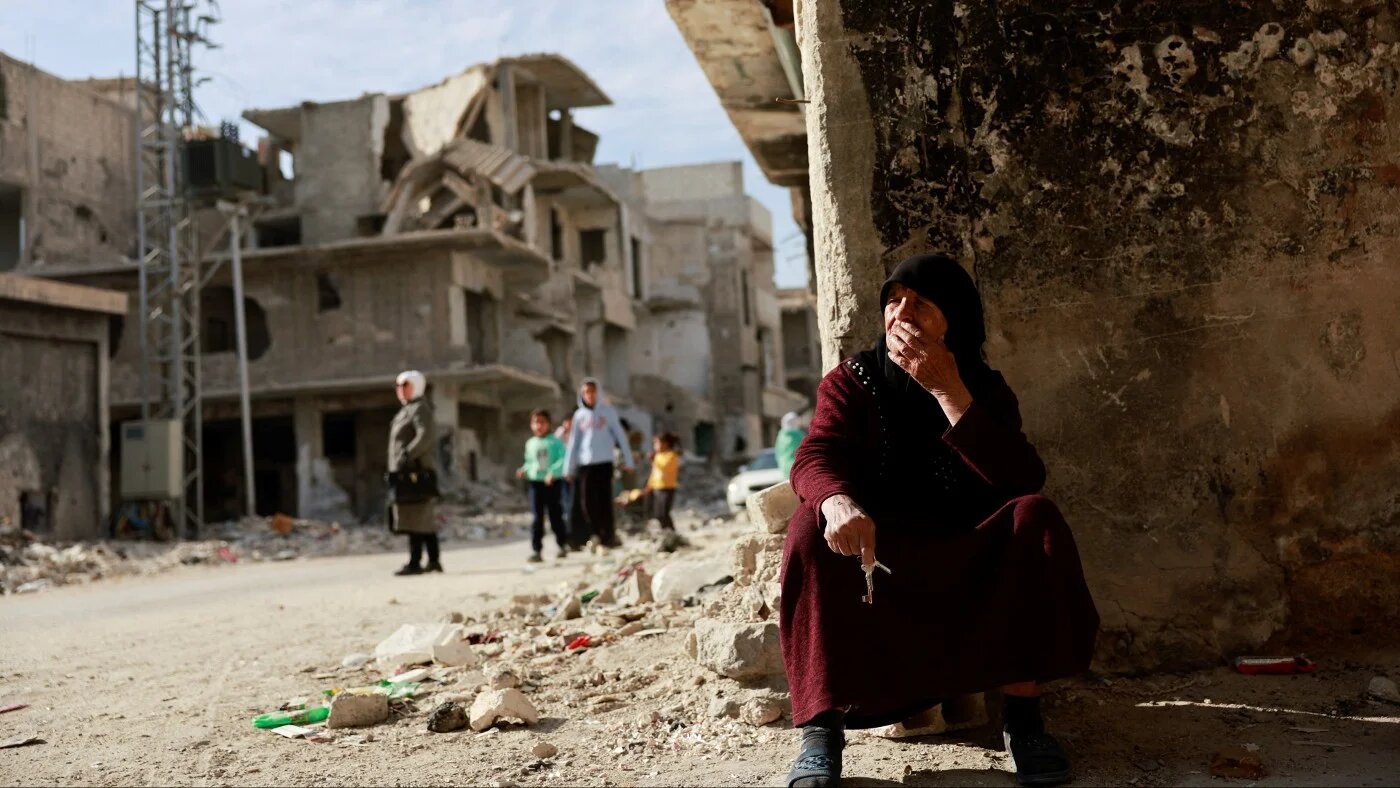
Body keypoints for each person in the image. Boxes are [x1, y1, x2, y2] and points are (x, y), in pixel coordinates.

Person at [781, 254, 1099, 787]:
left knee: (1034, 516)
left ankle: (1023, 723)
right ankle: (820, 734)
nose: (901, 313)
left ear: (953, 319)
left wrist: (950, 391)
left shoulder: (984, 387)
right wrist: (835, 500)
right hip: (880, 560)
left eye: (921, 303)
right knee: (807, 527)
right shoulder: (852, 381)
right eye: (893, 300)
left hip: (965, 558)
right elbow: (815, 455)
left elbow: (1022, 478)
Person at [564, 378, 634, 549]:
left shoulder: (608, 412)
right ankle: (594, 533)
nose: (590, 395)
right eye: (586, 392)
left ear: (598, 393)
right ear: (582, 394)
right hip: (585, 464)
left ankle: (608, 536)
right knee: (587, 502)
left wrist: (629, 461)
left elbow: (620, 437)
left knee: (604, 500)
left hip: (604, 462)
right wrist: (568, 467)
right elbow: (574, 442)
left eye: (592, 391)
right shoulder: (579, 416)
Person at [388, 370, 440, 576]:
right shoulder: (408, 410)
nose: (400, 390)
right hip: (406, 472)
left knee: (416, 516)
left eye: (405, 385)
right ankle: (433, 560)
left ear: (416, 386)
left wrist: (408, 454)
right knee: (419, 517)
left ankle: (416, 561)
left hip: (415, 472)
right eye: (398, 386)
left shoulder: (419, 408)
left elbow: (426, 435)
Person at [516, 409, 568, 563]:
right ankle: (536, 550)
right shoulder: (530, 443)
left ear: (548, 424)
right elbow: (530, 462)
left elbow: (562, 460)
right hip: (535, 483)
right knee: (537, 518)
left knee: (555, 515)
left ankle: (562, 545)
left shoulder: (555, 442)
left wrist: (553, 472)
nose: (539, 426)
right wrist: (523, 470)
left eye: (542, 422)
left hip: (552, 483)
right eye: (535, 422)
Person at [646, 432, 681, 532]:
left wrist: (654, 459)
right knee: (658, 514)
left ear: (665, 443)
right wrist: (649, 486)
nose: (655, 446)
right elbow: (654, 473)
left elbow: (665, 467)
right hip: (657, 488)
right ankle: (665, 531)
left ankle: (671, 532)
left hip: (667, 488)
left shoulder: (671, 455)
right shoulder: (658, 456)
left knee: (664, 513)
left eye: (657, 443)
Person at [775, 412, 807, 479]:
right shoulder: (799, 435)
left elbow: (777, 452)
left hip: (784, 467)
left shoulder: (781, 436)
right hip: (799, 469)